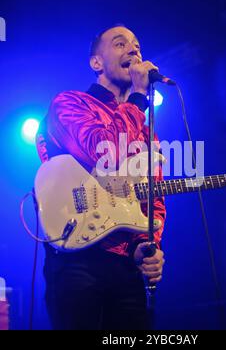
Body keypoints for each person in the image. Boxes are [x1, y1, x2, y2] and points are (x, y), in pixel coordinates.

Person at [36, 25, 166, 330]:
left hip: (125, 268)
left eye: (137, 45)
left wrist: (149, 245)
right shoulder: (70, 103)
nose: (134, 51)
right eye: (121, 44)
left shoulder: (148, 133)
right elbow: (104, 152)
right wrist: (136, 99)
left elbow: (152, 197)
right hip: (77, 260)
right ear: (96, 63)